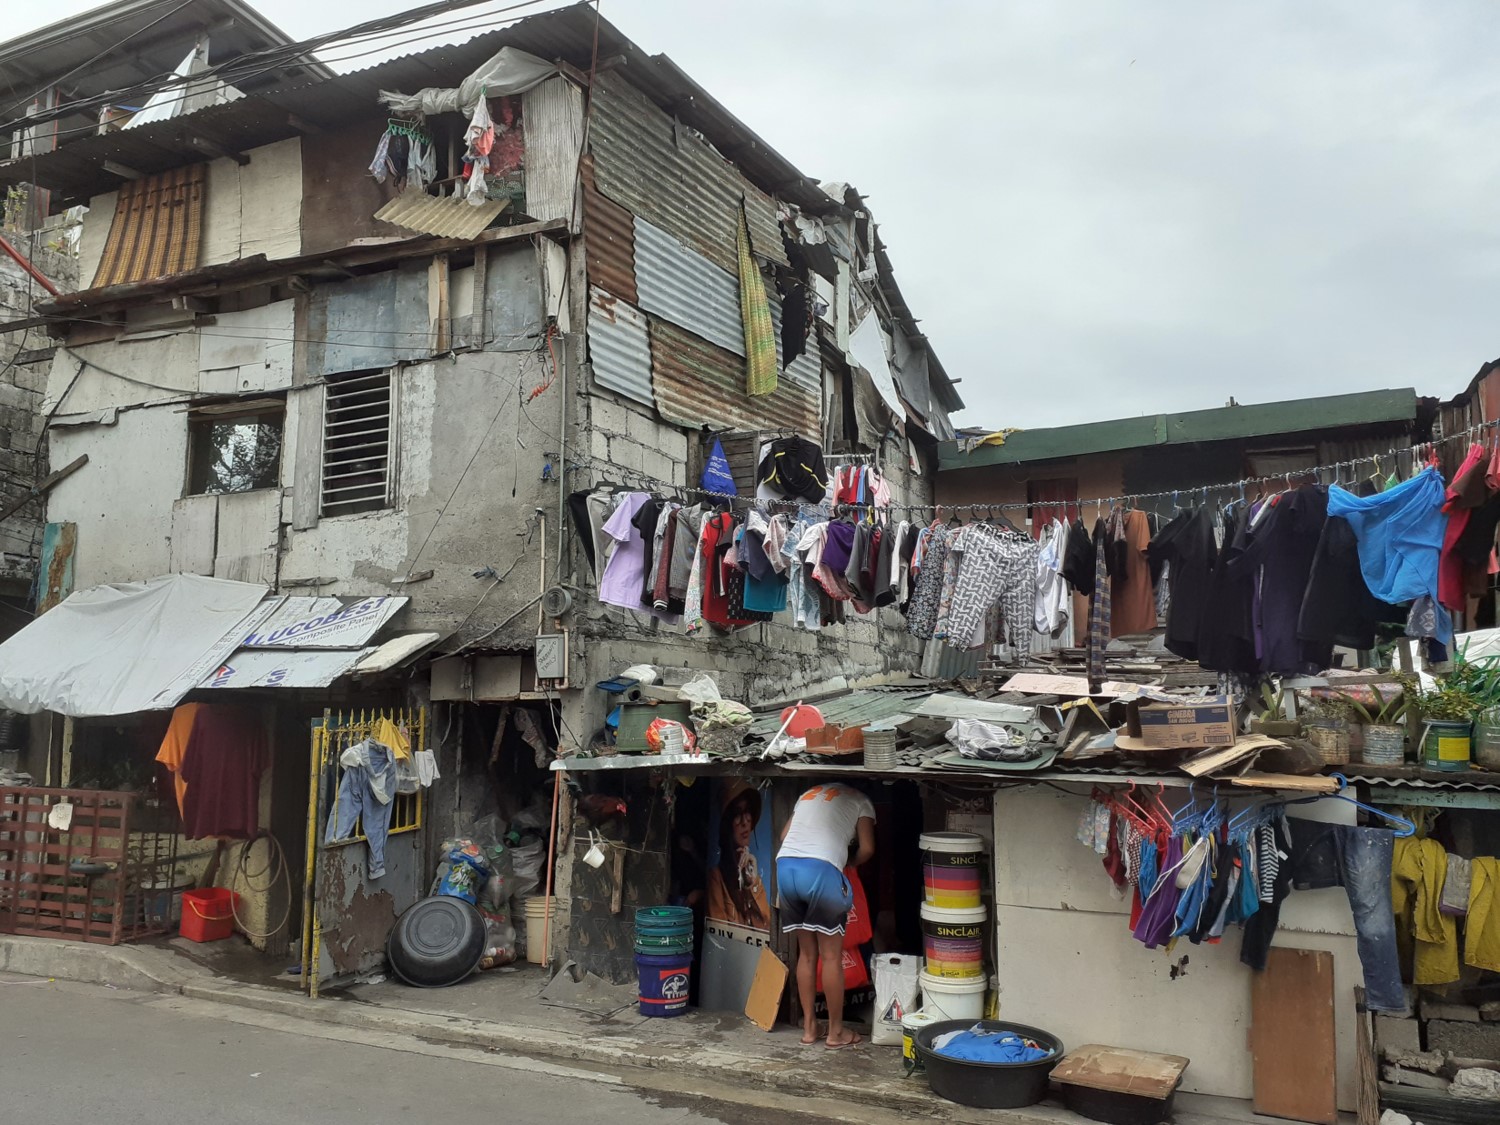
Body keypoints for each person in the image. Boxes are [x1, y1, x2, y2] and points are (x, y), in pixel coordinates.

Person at [776, 783, 876, 1049]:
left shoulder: (807, 793)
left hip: (786, 867)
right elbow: (867, 848)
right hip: (821, 868)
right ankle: (835, 1033)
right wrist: (849, 862)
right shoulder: (861, 798)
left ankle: (809, 1028)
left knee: (807, 954)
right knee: (831, 956)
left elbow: (784, 835)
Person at [706, 783, 770, 928]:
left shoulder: (751, 876)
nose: (745, 821)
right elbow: (719, 931)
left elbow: (766, 926)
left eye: (748, 812)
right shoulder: (717, 876)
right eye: (737, 813)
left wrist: (752, 885)